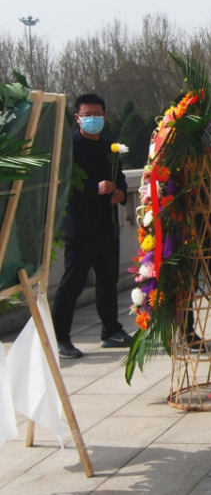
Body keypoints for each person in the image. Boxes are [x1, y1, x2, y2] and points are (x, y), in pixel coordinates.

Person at [52, 94, 132, 359]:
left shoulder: (110, 147)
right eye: (87, 115)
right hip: (80, 228)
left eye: (97, 115)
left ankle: (111, 331)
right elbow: (62, 185)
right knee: (72, 284)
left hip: (107, 225)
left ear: (105, 117)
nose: (93, 119)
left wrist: (121, 193)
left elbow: (121, 178)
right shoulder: (69, 147)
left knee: (108, 282)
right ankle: (60, 338)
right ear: (78, 118)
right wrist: (92, 189)